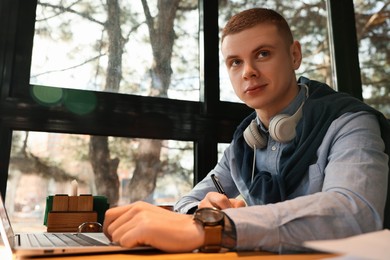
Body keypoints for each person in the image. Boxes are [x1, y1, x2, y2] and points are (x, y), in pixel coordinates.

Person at [103, 8, 390, 253]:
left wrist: (217, 228)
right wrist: (202, 213)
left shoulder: (350, 123)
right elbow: (188, 201)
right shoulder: (243, 145)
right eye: (235, 62)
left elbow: (356, 214)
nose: (247, 71)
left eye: (263, 54)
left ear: (294, 55)